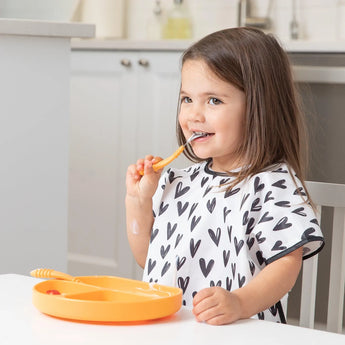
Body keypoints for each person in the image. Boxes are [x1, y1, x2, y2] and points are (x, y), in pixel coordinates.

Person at [125, 27, 324, 325]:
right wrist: (138, 200)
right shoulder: (178, 183)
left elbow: (286, 265)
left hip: (241, 332)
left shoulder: (270, 184)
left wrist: (240, 303)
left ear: (259, 107)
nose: (194, 115)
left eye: (213, 100)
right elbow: (149, 258)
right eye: (187, 99)